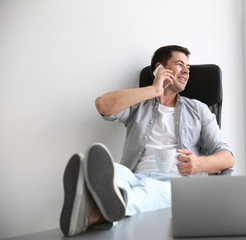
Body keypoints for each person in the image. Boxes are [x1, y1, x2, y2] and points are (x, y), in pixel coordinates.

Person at [60, 45, 234, 236]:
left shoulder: (199, 110)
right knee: (115, 171)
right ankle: (93, 205)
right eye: (179, 64)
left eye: (188, 68)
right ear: (160, 68)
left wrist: (199, 164)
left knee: (149, 189)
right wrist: (153, 90)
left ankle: (89, 213)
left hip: (177, 184)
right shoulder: (138, 106)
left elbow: (227, 158)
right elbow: (103, 105)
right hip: (133, 177)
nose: (186, 71)